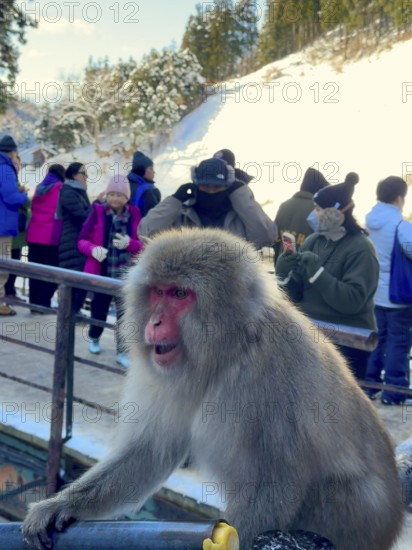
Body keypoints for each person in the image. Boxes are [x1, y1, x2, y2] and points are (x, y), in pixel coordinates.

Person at [276, 172, 379, 380]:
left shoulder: (361, 249)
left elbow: (353, 302)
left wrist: (318, 274)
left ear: (335, 213)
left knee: (339, 409)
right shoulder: (314, 240)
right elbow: (295, 296)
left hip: (348, 342)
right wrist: (284, 273)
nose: (313, 214)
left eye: (318, 209)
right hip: (310, 335)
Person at [138, 157, 277, 250]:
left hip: (232, 289)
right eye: (205, 186)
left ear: (227, 187)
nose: (211, 191)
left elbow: (266, 237)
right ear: (196, 185)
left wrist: (241, 195)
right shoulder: (183, 213)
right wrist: (174, 200)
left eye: (217, 187)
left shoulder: (240, 215)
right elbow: (146, 233)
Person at [78, 174, 143, 368]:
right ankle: (94, 337)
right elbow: (80, 240)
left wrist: (130, 243)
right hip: (102, 271)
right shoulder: (97, 211)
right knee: (99, 309)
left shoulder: (135, 213)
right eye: (111, 194)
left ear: (127, 197)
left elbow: (144, 244)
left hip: (126, 274)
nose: (115, 199)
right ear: (106, 194)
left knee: (125, 314)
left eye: (119, 195)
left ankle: (123, 351)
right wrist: (93, 249)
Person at [364, 176, 412, 405]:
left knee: (377, 340)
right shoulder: (401, 226)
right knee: (398, 342)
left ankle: (370, 386)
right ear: (399, 197)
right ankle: (394, 393)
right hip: (398, 296)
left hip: (375, 294)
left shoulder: (370, 222)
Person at [26, 164, 66, 309]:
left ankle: (34, 304)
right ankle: (44, 303)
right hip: (50, 236)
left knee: (34, 272)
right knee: (52, 273)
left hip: (33, 234)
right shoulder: (61, 188)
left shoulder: (39, 187)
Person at [273, 167, 329, 261]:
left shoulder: (284, 206)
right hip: (305, 271)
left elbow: (275, 241)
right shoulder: (319, 211)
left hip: (281, 268)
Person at [56, 162, 91, 312]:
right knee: (73, 278)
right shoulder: (69, 191)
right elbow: (80, 216)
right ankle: (69, 314)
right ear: (73, 175)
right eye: (83, 173)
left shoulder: (78, 191)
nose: (86, 177)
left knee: (78, 277)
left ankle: (73, 312)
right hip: (71, 241)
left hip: (77, 241)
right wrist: (96, 207)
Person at [0, 135, 28, 316]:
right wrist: (24, 195)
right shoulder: (5, 168)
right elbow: (10, 198)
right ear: (12, 152)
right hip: (2, 226)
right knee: (2, 266)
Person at [5, 154, 31, 304]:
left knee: (14, 263)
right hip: (10, 232)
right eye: (13, 163)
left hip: (18, 233)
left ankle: (10, 292)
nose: (15, 165)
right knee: (10, 264)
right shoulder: (9, 181)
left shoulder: (15, 181)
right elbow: (20, 201)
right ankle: (9, 293)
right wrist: (22, 194)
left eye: (17, 163)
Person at [127, 150, 161, 216]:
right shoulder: (147, 191)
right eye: (151, 169)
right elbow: (156, 217)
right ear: (141, 170)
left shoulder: (125, 184)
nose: (154, 172)